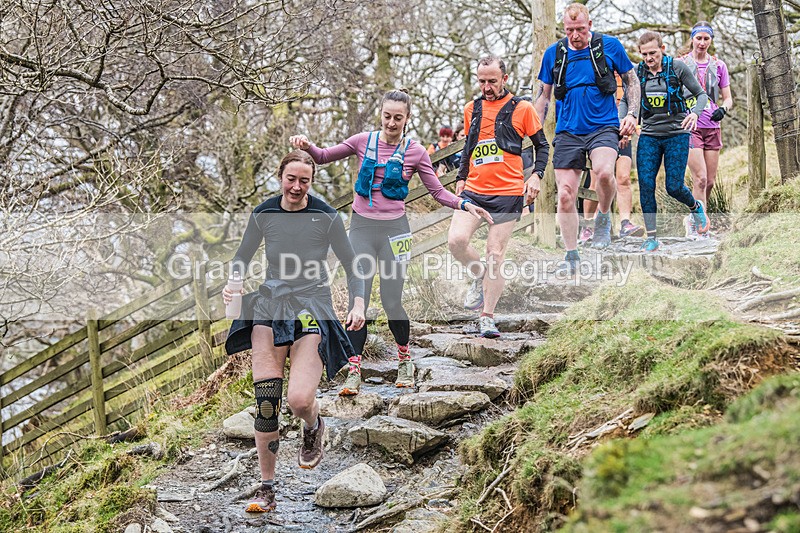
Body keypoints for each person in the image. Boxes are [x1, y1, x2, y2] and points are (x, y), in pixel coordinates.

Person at [290, 90, 492, 395]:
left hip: (395, 233)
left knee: (391, 300)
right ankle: (354, 368)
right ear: (381, 114)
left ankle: (404, 359)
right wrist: (307, 145)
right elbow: (322, 156)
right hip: (361, 229)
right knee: (360, 298)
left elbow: (438, 192)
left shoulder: (415, 151)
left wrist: (465, 205)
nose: (392, 122)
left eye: (398, 117)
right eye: (387, 116)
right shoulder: (363, 141)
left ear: (407, 119)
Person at [222, 150, 367, 513]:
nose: (297, 187)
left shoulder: (326, 216)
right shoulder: (264, 213)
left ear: (311, 182)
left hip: (311, 306)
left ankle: (313, 425)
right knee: (267, 403)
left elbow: (354, 266)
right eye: (291, 179)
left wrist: (359, 303)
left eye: (304, 181)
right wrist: (234, 284)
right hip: (270, 307)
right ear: (280, 176)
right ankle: (267, 487)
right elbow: (242, 256)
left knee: (299, 400)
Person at [448, 55, 549, 338]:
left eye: (492, 81)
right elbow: (469, 146)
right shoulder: (472, 109)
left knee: (495, 254)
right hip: (475, 191)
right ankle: (479, 276)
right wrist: (461, 177)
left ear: (505, 78)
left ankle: (487, 317)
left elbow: (543, 147)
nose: (487, 86)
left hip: (507, 193)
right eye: (482, 81)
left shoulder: (522, 108)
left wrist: (536, 175)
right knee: (456, 242)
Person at [534, 3, 639, 274]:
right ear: (564, 29)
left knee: (604, 173)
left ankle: (603, 218)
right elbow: (544, 96)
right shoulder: (553, 55)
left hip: (603, 125)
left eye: (580, 29)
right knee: (566, 195)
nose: (575, 35)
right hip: (568, 130)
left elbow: (631, 81)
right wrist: (533, 128)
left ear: (589, 25)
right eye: (570, 30)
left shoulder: (610, 46)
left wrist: (632, 114)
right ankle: (571, 255)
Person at [619, 31, 710, 251]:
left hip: (677, 134)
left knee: (673, 186)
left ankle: (695, 207)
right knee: (646, 185)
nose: (649, 58)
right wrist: (626, 119)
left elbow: (701, 95)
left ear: (663, 49)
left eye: (653, 53)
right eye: (644, 54)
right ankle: (651, 237)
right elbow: (625, 100)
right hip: (649, 135)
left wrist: (695, 114)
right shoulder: (637, 73)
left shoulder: (677, 67)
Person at [681, 21, 733, 238]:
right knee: (700, 179)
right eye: (698, 38)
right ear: (692, 39)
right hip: (690, 126)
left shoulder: (718, 65)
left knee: (710, 181)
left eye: (706, 38)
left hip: (713, 126)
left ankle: (699, 217)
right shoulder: (680, 64)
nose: (702, 43)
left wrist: (723, 109)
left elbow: (729, 98)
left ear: (711, 40)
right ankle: (697, 226)